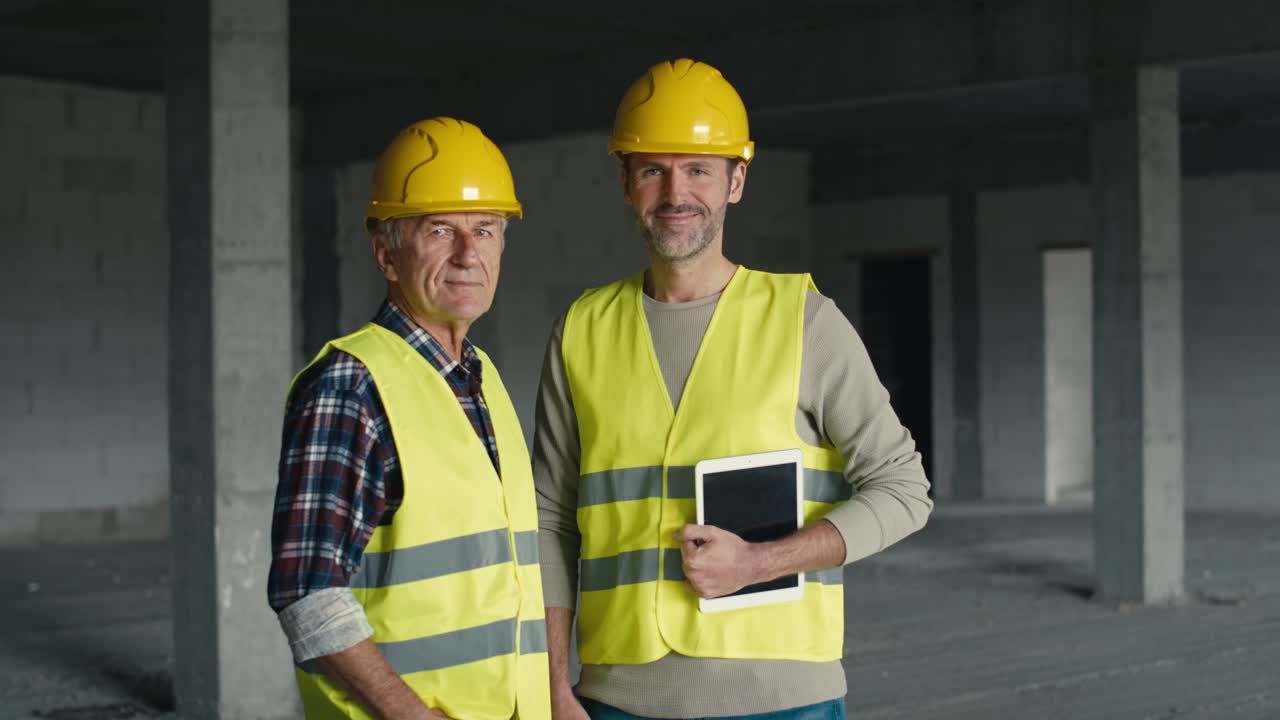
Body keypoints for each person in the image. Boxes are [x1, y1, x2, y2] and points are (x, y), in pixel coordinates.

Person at [533, 59, 933, 720]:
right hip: (615, 698)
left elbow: (904, 491)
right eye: (653, 170)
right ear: (626, 182)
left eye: (698, 169)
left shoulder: (804, 321)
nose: (675, 193)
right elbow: (550, 519)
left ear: (736, 180)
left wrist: (761, 562)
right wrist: (553, 687)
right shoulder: (581, 330)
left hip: (782, 700)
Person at [268, 117, 550, 720]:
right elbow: (308, 594)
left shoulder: (482, 378)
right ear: (386, 254)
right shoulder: (350, 386)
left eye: (485, 229)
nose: (468, 254)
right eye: (440, 230)